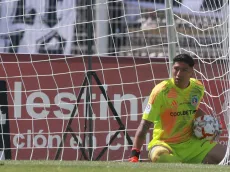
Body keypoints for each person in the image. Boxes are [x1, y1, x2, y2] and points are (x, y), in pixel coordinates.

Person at [129, 54, 226, 164]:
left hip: (191, 144)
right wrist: (134, 154)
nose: (179, 74)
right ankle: (188, 163)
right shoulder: (161, 91)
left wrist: (211, 124)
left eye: (184, 70)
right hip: (164, 144)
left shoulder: (198, 88)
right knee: (160, 157)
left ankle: (188, 162)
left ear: (191, 72)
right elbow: (145, 124)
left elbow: (193, 110)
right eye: (176, 69)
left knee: (226, 157)